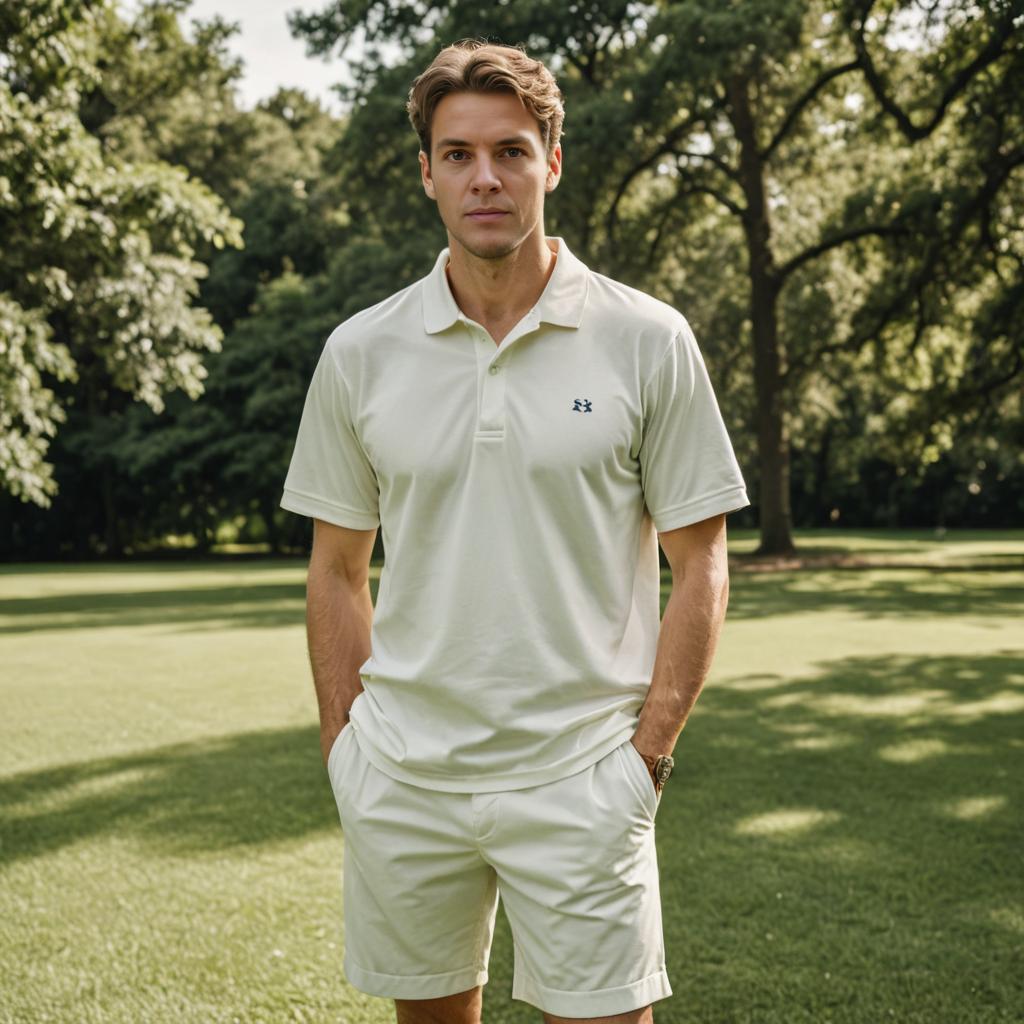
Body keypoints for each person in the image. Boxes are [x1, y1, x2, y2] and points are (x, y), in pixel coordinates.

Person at [281, 39, 749, 1024]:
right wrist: (344, 749)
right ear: (426, 173)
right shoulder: (360, 351)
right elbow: (335, 569)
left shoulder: (645, 338)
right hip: (404, 775)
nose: (484, 176)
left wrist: (646, 756)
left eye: (509, 151)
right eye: (457, 154)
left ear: (552, 161)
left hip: (583, 774)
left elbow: (699, 558)